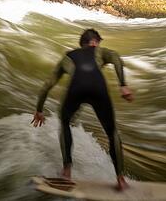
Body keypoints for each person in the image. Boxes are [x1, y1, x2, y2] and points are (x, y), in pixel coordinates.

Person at [32, 29, 134, 191]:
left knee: (64, 122)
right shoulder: (100, 51)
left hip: (76, 89)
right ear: (94, 42)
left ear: (82, 43)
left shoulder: (68, 57)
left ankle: (66, 173)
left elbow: (47, 85)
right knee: (111, 132)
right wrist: (123, 85)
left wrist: (39, 110)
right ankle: (120, 180)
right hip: (98, 89)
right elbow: (116, 57)